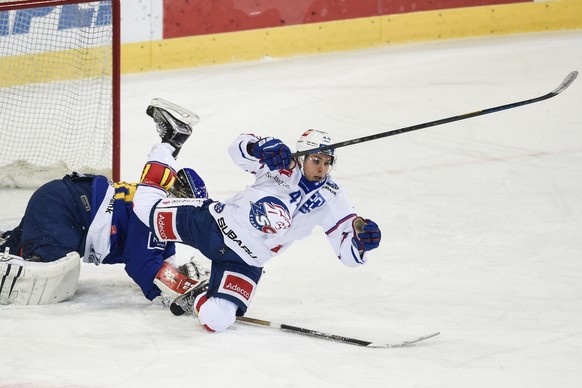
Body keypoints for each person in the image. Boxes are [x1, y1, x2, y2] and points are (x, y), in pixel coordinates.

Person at [138, 126, 382, 332]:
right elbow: (236, 149)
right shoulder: (280, 162)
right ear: (302, 157)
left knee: (217, 319)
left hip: (246, 261)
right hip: (212, 226)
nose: (321, 168)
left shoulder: (333, 197)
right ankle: (168, 144)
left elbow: (348, 254)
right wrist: (258, 148)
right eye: (316, 160)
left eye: (327, 163)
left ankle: (198, 295)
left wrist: (362, 241)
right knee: (142, 208)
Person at [0, 99, 210, 305]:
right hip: (65, 209)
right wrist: (177, 294)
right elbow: (141, 263)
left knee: (12, 249)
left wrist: (179, 276)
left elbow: (160, 259)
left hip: (63, 200)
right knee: (42, 277)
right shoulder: (154, 215)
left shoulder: (156, 208)